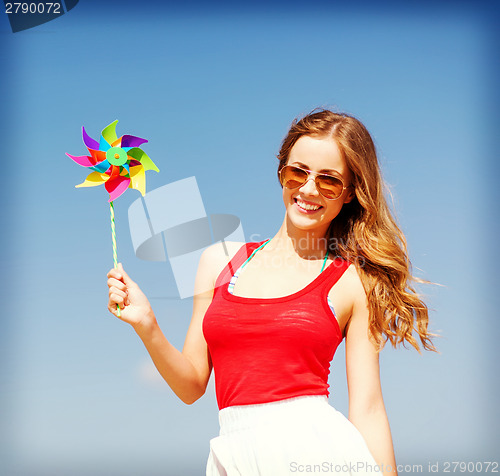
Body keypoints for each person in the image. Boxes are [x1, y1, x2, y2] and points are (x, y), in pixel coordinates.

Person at [107, 109, 437, 475]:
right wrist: (147, 324)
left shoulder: (354, 282)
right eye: (298, 172)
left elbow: (368, 408)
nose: (309, 189)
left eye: (329, 181)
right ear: (282, 173)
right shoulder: (218, 261)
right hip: (233, 456)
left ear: (349, 194)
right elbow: (191, 387)